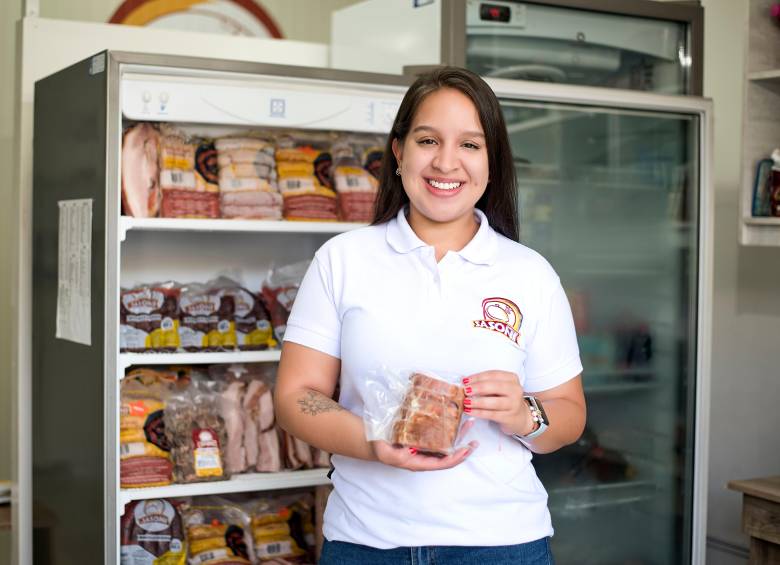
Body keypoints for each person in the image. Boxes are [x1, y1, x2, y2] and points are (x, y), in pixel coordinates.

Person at [274, 66, 586, 565]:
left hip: (501, 543)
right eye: (427, 140)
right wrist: (375, 440)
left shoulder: (530, 274)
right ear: (398, 153)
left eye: (470, 145)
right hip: (366, 541)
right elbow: (294, 398)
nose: (446, 162)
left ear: (491, 162)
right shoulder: (343, 259)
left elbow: (569, 414)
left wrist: (525, 414)